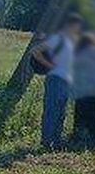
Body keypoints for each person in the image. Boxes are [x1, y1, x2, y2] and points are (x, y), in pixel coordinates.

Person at [32, 14, 83, 149]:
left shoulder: (71, 42)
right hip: (55, 79)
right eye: (76, 26)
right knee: (52, 110)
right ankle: (47, 141)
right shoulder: (58, 38)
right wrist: (49, 65)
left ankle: (56, 140)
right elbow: (35, 51)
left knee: (61, 112)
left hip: (66, 80)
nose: (78, 29)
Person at [70, 33, 95, 145]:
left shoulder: (78, 55)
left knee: (80, 116)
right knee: (94, 117)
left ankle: (78, 138)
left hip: (82, 91)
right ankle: (92, 139)